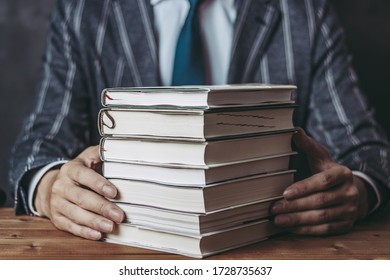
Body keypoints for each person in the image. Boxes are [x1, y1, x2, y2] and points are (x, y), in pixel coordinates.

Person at [9, 0, 390, 241]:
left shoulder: (302, 12)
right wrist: (49, 188)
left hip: (265, 242)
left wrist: (358, 192)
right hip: (122, 240)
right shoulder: (84, 11)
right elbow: (42, 139)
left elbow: (365, 148)